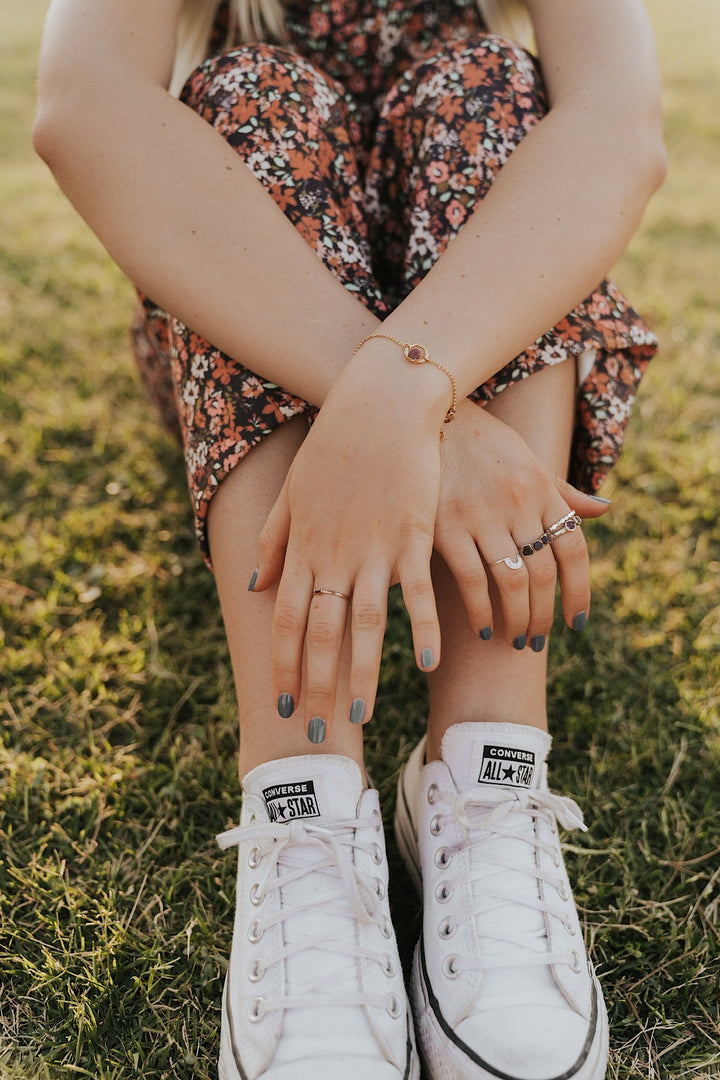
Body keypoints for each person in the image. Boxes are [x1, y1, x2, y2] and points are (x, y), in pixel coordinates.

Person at [33, 0, 665, 1077]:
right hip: (258, 318)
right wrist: (403, 399)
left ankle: (487, 765)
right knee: (251, 94)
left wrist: (406, 382)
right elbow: (84, 105)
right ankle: (302, 790)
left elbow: (616, 121)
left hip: (473, 312)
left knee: (489, 89)